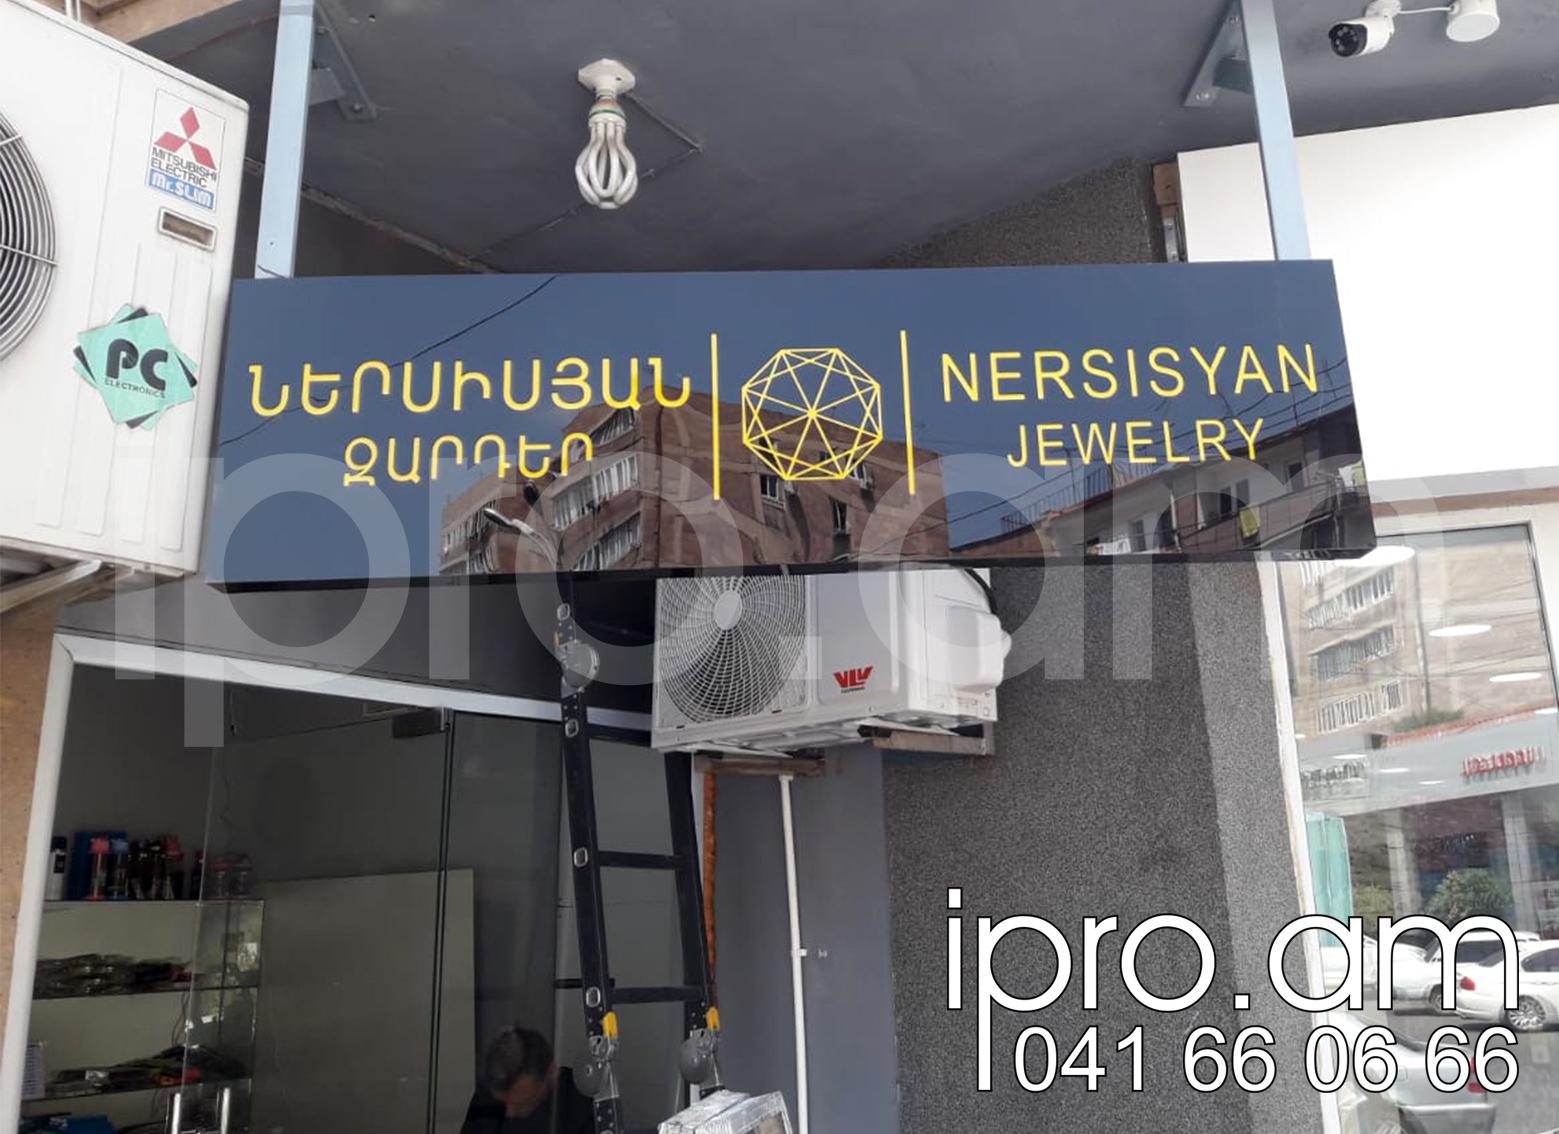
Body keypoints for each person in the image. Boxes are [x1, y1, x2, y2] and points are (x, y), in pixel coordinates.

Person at [459, 1026, 595, 1134]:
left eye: (523, 1103)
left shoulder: (582, 1107)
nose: (509, 1113)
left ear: (552, 1073)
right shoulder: (486, 1096)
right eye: (502, 1102)